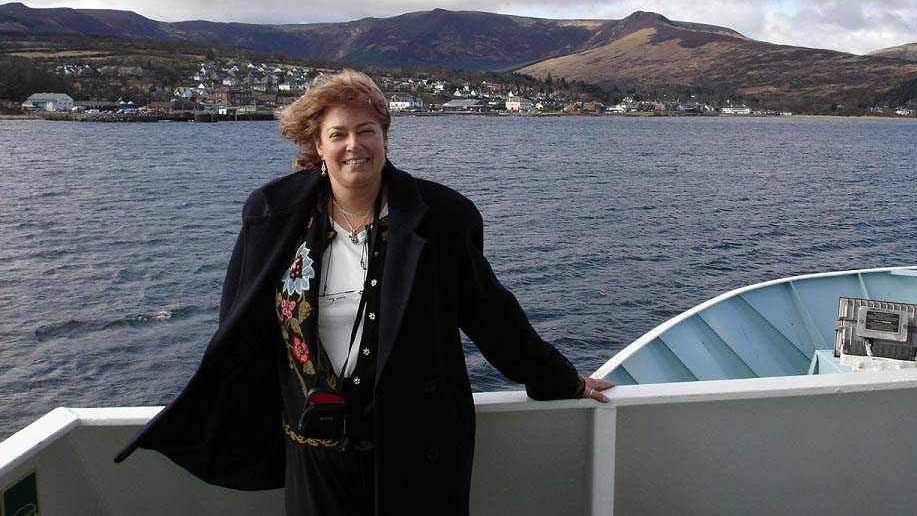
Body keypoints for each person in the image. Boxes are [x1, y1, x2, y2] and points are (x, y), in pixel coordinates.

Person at [115, 70, 613, 515]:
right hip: (314, 448)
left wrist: (560, 379)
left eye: (366, 131)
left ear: (385, 137)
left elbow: (491, 315)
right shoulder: (272, 216)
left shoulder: (440, 218)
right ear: (318, 144)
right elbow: (239, 327)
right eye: (338, 134)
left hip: (416, 448)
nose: (354, 145)